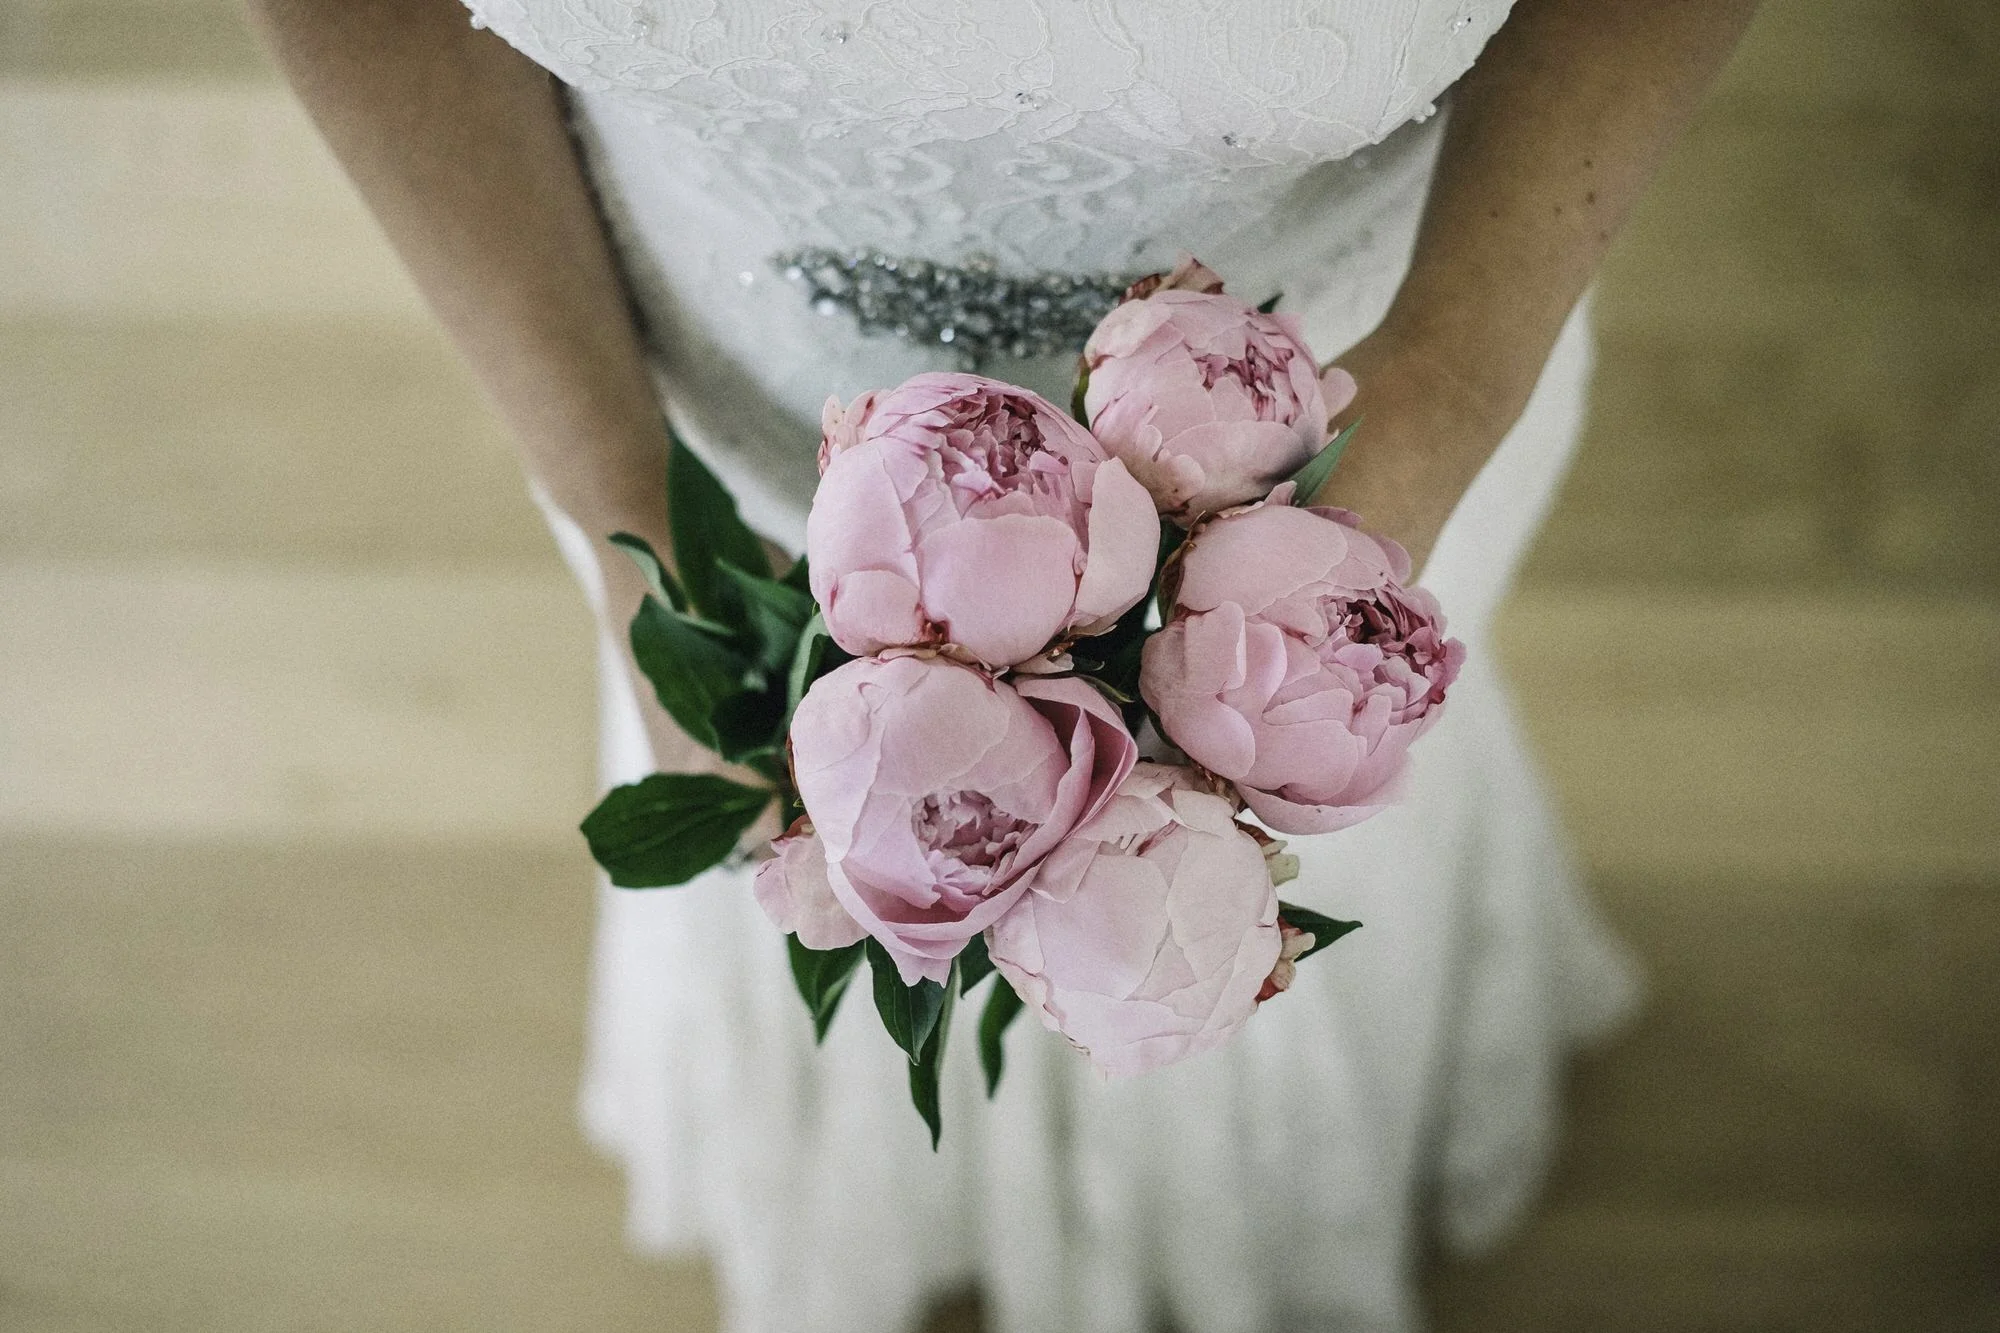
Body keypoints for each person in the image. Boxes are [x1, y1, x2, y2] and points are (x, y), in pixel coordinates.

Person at [247, 3, 1756, 1329]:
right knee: (795, 854)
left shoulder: (1383, 469)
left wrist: (1443, 393)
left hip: (1350, 443)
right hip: (703, 433)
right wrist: (626, 504)